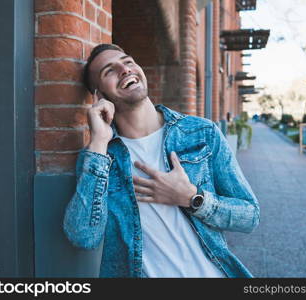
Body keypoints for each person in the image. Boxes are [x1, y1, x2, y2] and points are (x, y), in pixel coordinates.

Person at [63, 44, 260, 278]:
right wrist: (99, 142)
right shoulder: (99, 159)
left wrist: (192, 198)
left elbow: (250, 215)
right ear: (99, 96)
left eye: (127, 61)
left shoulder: (202, 132)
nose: (124, 70)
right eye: (109, 71)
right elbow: (83, 236)